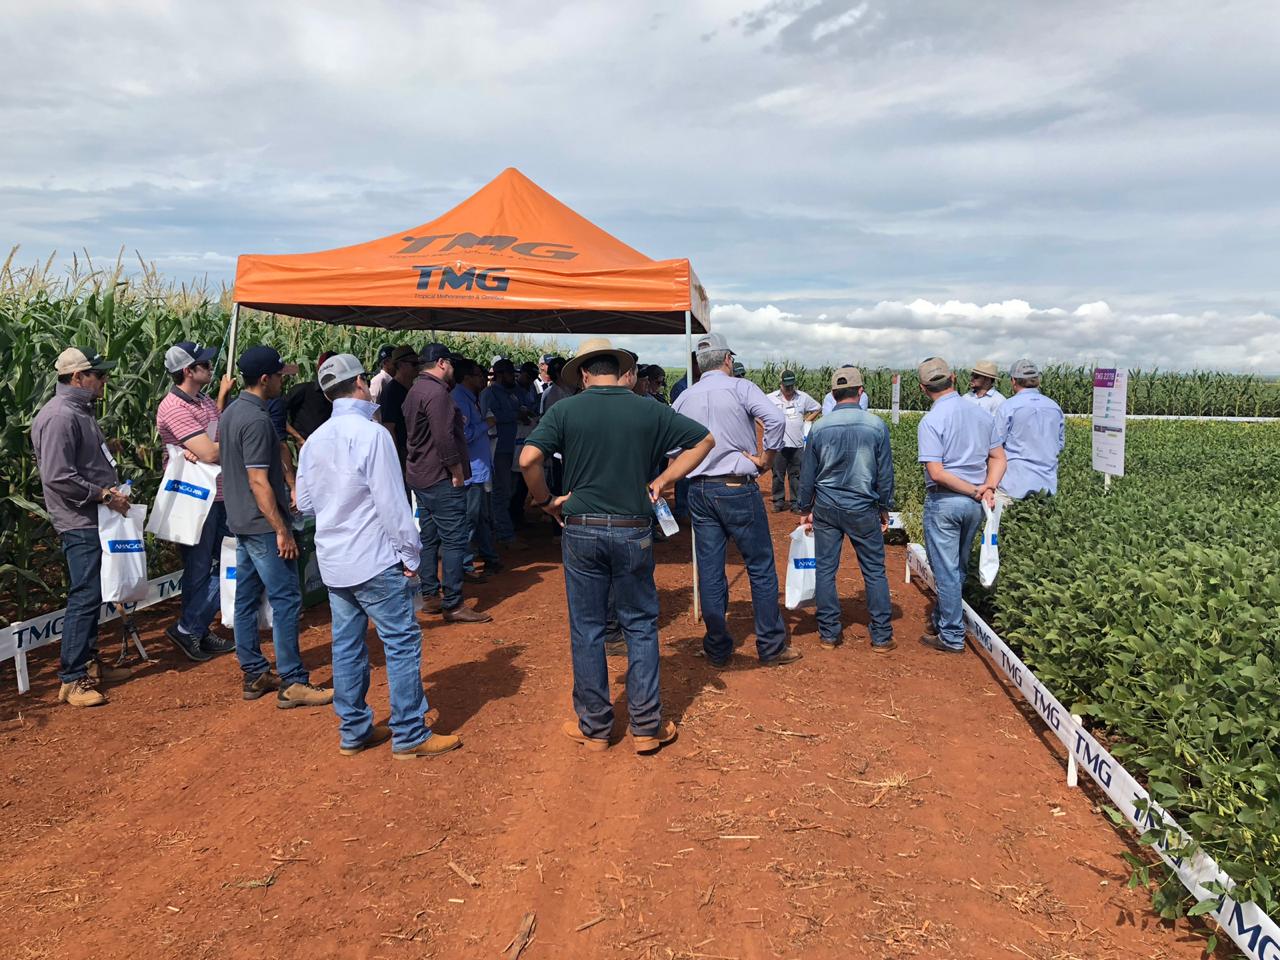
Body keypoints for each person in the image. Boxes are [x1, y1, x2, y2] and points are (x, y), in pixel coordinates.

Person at [519, 337, 715, 755]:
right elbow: (704, 441)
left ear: (585, 374)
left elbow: (527, 460)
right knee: (640, 624)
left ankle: (595, 728)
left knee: (587, 628)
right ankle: (646, 726)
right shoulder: (648, 407)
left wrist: (545, 500)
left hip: (581, 527)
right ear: (621, 372)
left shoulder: (565, 410)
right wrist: (663, 482)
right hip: (633, 527)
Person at [295, 354, 460, 759]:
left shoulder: (315, 439)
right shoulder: (373, 435)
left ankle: (354, 730)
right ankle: (409, 732)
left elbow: (307, 504)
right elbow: (392, 503)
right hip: (373, 557)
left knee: (347, 644)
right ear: (360, 383)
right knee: (401, 641)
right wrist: (411, 554)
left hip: (334, 561)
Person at [673, 332, 799, 668]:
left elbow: (670, 444)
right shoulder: (741, 388)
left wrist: (689, 458)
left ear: (700, 365)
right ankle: (770, 646)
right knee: (759, 565)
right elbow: (775, 419)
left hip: (700, 489)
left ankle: (717, 648)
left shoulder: (685, 397)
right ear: (727, 359)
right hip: (737, 486)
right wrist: (765, 458)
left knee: (711, 570)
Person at [220, 345, 334, 707]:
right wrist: (282, 529)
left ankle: (254, 672)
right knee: (286, 598)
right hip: (263, 525)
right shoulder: (254, 420)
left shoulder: (233, 412)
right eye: (281, 375)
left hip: (241, 521)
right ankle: (293, 680)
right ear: (265, 379)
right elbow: (257, 481)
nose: (285, 380)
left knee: (246, 597)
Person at [31, 347, 132, 707]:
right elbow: (58, 476)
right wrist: (105, 495)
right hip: (80, 519)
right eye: (98, 375)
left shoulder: (78, 411)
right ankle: (73, 678)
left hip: (94, 517)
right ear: (78, 378)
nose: (104, 381)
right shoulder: (60, 416)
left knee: (93, 592)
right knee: (85, 594)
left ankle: (90, 665)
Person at [799, 367, 896, 652]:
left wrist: (805, 507)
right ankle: (880, 636)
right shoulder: (876, 426)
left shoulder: (819, 427)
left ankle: (829, 633)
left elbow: (808, 474)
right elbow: (884, 474)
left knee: (826, 570)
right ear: (861, 391)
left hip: (827, 507)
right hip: (863, 507)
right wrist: (884, 507)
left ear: (832, 394)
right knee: (875, 571)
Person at [916, 357, 1007, 654]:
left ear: (922, 388)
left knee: (945, 570)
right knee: (957, 566)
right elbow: (998, 458)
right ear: (953, 378)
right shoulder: (981, 415)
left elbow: (937, 472)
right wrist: (987, 487)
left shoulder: (931, 421)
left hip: (946, 501)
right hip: (974, 505)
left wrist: (973, 490)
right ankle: (943, 617)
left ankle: (952, 635)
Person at [154, 341, 236, 662]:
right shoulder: (174, 408)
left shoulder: (202, 401)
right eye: (204, 364)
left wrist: (221, 402)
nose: (210, 366)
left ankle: (194, 627)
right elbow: (213, 451)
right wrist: (213, 445)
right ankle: (191, 629)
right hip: (196, 499)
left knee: (231, 560)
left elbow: (213, 438)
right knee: (201, 566)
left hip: (218, 492)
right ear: (188, 371)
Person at [404, 343, 492, 624]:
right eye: (451, 364)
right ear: (441, 363)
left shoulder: (415, 390)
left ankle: (430, 595)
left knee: (429, 537)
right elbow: (444, 438)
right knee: (454, 539)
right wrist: (456, 469)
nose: (453, 369)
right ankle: (453, 602)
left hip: (421, 474)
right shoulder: (438, 393)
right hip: (441, 476)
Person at [452, 359, 501, 581]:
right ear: (466, 377)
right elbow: (466, 435)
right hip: (471, 470)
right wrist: (487, 424)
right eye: (477, 375)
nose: (482, 379)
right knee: (470, 519)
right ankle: (464, 565)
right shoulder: (460, 400)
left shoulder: (472, 398)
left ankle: (489, 556)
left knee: (480, 516)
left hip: (479, 468)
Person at [991, 359, 1065, 503]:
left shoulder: (1008, 407)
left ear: (1013, 381)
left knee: (1006, 524)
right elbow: (1060, 445)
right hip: (1047, 486)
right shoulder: (1054, 407)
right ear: (1037, 380)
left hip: (1013, 485)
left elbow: (995, 444)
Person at [480, 358, 525, 545]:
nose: (513, 377)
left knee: (508, 490)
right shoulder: (489, 394)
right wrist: (516, 415)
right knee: (500, 491)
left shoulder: (510, 393)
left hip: (511, 447)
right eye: (509, 373)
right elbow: (489, 417)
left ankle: (500, 529)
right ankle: (503, 534)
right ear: (499, 375)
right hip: (498, 449)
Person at [767, 370, 821, 513]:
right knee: (777, 474)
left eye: (791, 386)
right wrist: (766, 426)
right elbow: (757, 414)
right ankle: (778, 501)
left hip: (797, 443)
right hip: (779, 444)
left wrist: (806, 420)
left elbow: (817, 407)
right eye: (786, 386)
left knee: (796, 474)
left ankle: (795, 503)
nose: (789, 389)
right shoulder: (771, 398)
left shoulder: (802, 397)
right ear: (781, 384)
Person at [377, 345, 422, 469]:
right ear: (401, 365)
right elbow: (389, 427)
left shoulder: (414, 388)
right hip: (404, 452)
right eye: (414, 364)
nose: (418, 367)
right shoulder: (391, 391)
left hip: (417, 450)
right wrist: (395, 460)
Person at [284, 351, 336, 445]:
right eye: (327, 368)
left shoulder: (343, 394)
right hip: (304, 448)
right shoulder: (302, 390)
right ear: (318, 368)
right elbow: (276, 414)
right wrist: (298, 438)